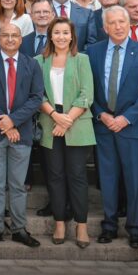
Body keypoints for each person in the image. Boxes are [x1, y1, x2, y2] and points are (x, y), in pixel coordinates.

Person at [88, 5, 138, 249]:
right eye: (112, 23)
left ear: (129, 24)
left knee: (135, 179)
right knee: (108, 178)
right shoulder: (92, 51)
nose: (118, 26)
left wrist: (125, 118)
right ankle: (109, 225)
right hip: (104, 126)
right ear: (105, 27)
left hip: (133, 128)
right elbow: (89, 90)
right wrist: (101, 114)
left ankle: (135, 228)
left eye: (122, 22)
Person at [0, 23, 44, 248]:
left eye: (15, 35)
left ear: (21, 39)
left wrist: (13, 121)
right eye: (5, 35)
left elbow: (36, 98)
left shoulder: (31, 64)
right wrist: (5, 123)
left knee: (17, 184)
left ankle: (18, 229)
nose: (10, 39)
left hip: (21, 133)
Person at [35, 17, 95, 248]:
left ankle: (81, 225)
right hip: (50, 121)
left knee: (78, 177)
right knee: (55, 176)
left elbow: (87, 93)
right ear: (50, 35)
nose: (61, 37)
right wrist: (55, 116)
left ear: (72, 36)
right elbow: (37, 93)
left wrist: (67, 119)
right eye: (57, 33)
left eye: (65, 33)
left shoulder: (82, 60)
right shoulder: (39, 61)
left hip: (77, 122)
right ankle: (59, 222)